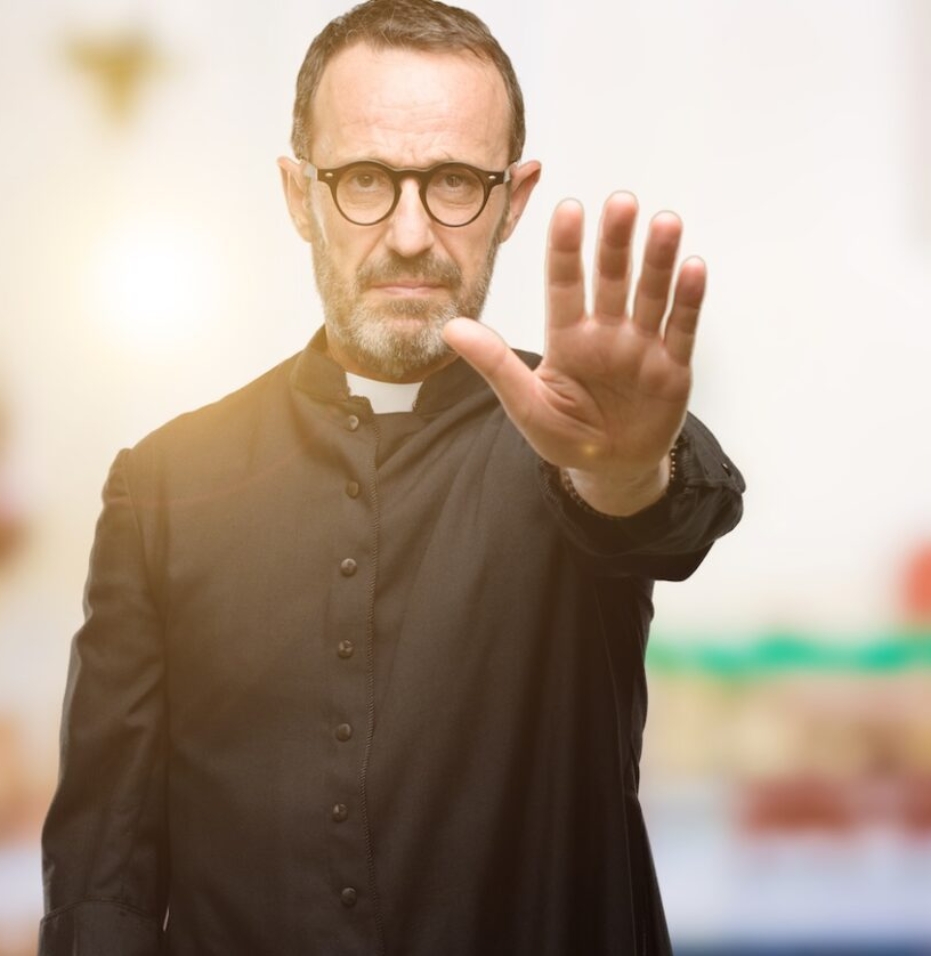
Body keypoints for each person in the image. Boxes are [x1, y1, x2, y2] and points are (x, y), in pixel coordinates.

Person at [38, 1, 744, 952]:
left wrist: (623, 472)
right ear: (299, 194)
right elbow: (104, 878)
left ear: (514, 197)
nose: (411, 235)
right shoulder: (162, 485)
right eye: (365, 179)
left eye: (454, 182)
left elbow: (654, 513)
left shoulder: (577, 441)